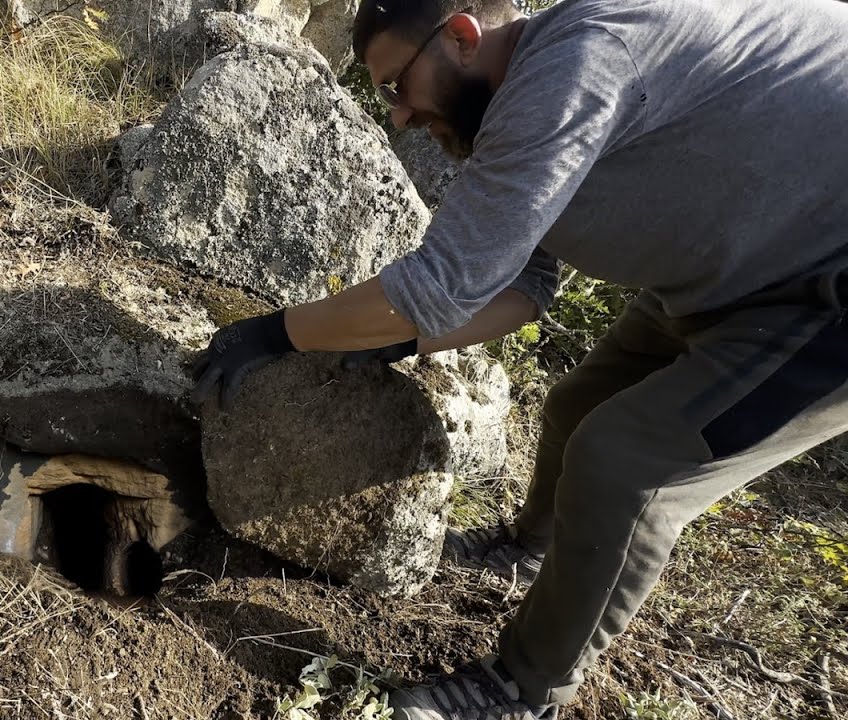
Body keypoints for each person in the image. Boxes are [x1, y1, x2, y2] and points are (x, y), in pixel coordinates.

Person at [189, 0, 848, 717]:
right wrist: (399, 338)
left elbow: (440, 285)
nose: (399, 117)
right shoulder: (515, 112)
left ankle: (520, 690)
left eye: (396, 86)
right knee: (575, 408)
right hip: (734, 274)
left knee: (624, 465)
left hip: (827, 293)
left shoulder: (580, 62)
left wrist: (277, 333)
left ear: (462, 35)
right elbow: (524, 287)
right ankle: (526, 553)